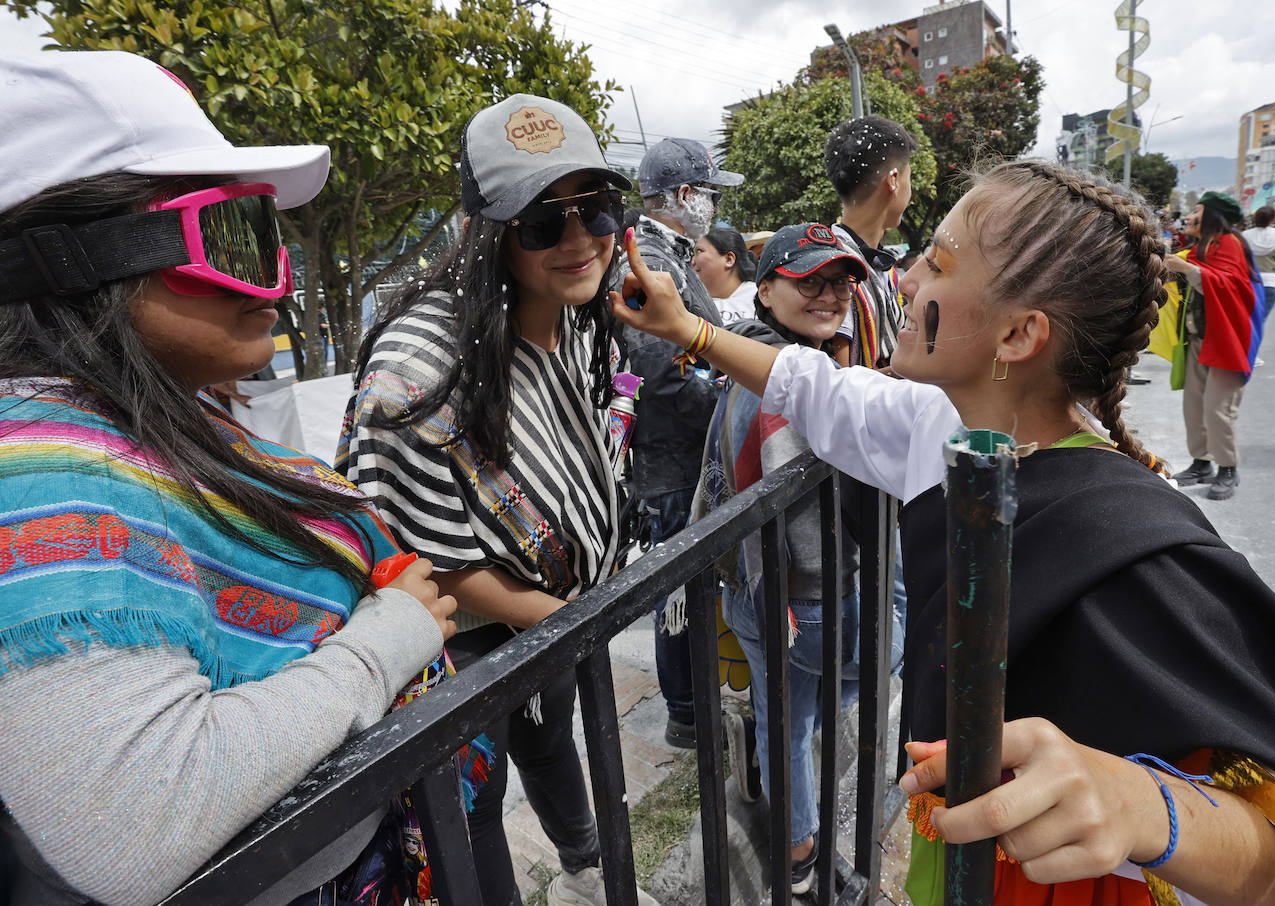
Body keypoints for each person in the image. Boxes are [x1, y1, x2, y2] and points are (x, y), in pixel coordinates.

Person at [612, 159, 1275, 905]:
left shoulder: (1125, 545)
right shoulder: (939, 426)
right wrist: (689, 330)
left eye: (937, 264)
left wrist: (1146, 808)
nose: (904, 280)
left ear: (1018, 336)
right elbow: (815, 390)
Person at [0, 50, 459, 906]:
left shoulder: (152, 416)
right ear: (69, 261)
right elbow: (132, 828)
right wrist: (385, 642)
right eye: (231, 237)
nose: (275, 283)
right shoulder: (40, 476)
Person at [339, 94, 657, 906]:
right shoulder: (421, 366)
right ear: (491, 234)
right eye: (542, 223)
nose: (580, 238)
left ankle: (585, 869)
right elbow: (412, 551)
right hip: (468, 649)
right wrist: (562, 618)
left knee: (551, 742)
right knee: (471, 815)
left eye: (596, 207)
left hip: (553, 618)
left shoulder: (579, 314)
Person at [697, 224, 904, 895]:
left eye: (840, 280)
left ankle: (797, 848)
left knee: (794, 717)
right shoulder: (784, 390)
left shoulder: (761, 361)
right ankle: (803, 855)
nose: (830, 293)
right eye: (808, 279)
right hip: (805, 605)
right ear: (765, 291)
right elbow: (814, 535)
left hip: (758, 598)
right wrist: (890, 600)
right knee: (874, 663)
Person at [614, 137, 742, 750]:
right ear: (684, 194)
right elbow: (662, 375)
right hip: (671, 465)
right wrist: (730, 403)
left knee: (693, 588)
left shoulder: (671, 256)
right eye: (710, 193)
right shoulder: (649, 260)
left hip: (684, 459)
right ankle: (687, 712)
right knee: (680, 595)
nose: (714, 207)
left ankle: (693, 701)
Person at [1166, 192, 1265, 500]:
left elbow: (1228, 286)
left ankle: (1228, 468)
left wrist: (1185, 270)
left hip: (1225, 342)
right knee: (1194, 406)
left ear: (1212, 217)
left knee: (1217, 409)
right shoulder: (1201, 247)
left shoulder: (1229, 244)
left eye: (1197, 211)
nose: (1190, 217)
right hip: (1199, 338)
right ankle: (1201, 463)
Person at [822, 115, 919, 369]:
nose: (911, 189)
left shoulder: (879, 264)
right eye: (910, 176)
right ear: (894, 180)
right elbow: (844, 384)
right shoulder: (837, 265)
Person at [692, 227, 757, 324]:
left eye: (699, 251)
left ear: (729, 259)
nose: (692, 262)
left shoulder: (760, 297)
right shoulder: (688, 301)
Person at [1241, 205, 1275, 323]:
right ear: (1273, 219)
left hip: (1250, 281)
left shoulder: (1244, 235)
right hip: (1272, 282)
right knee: (1260, 320)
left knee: (1248, 320)